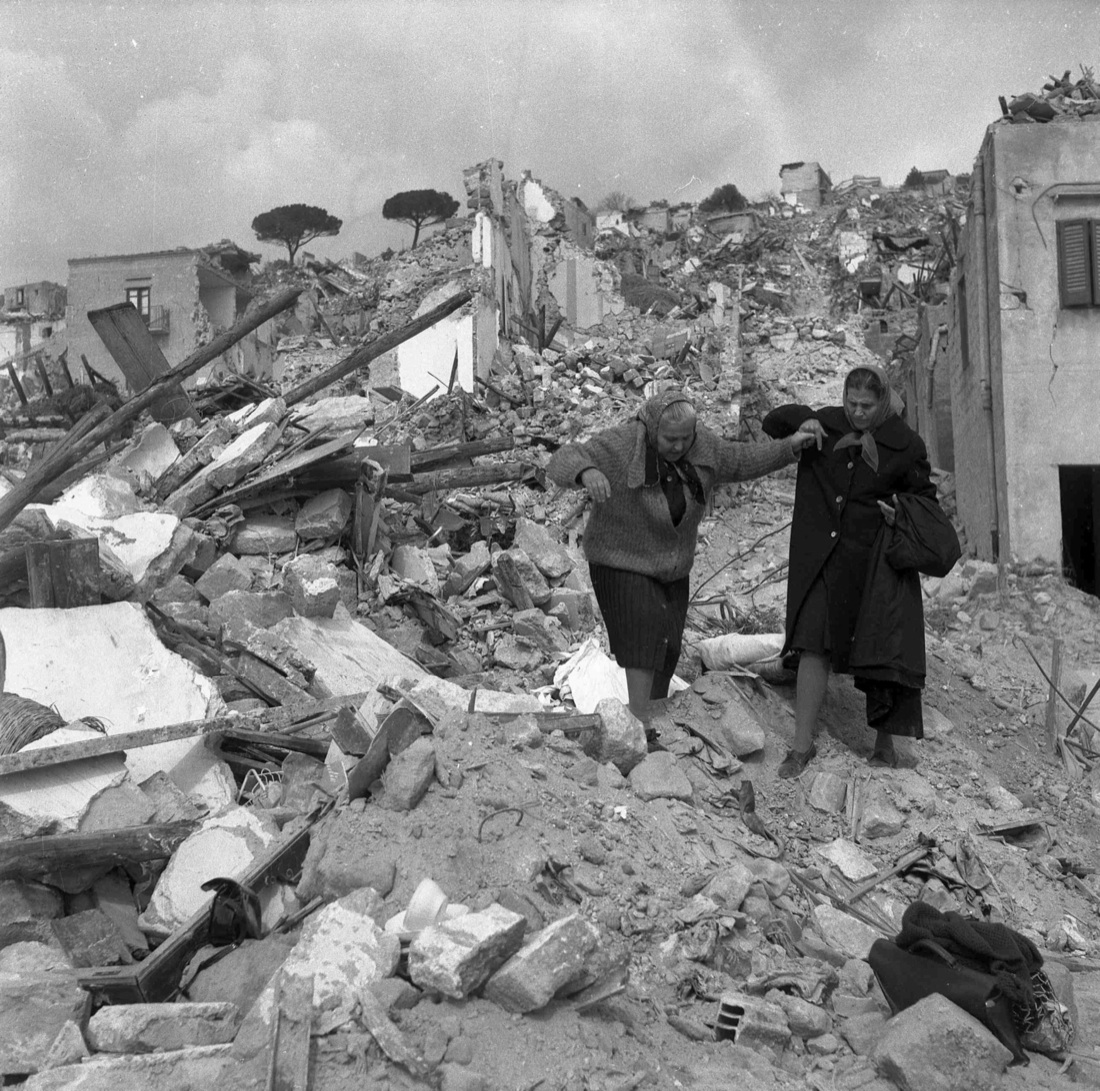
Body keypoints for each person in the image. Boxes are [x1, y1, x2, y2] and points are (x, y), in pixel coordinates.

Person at [548, 388, 816, 723]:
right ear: (651, 429)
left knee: (668, 645)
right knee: (642, 637)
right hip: (620, 559)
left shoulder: (703, 446)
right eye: (669, 439)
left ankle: (656, 716)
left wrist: (789, 448)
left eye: (684, 439)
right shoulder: (622, 443)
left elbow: (741, 459)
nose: (678, 446)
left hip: (672, 566)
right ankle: (639, 720)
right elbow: (562, 459)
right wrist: (586, 472)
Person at [762, 364, 957, 777]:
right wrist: (805, 419)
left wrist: (900, 514)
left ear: (882, 401)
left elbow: (924, 501)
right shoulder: (828, 424)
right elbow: (772, 421)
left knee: (881, 650)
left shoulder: (906, 445)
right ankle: (801, 746)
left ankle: (885, 747)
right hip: (823, 560)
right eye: (851, 402)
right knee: (813, 641)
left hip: (874, 565)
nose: (857, 413)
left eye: (866, 405)